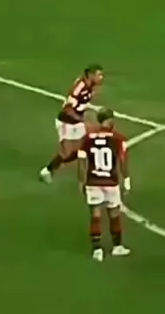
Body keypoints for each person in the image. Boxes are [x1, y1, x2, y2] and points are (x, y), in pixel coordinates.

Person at [77, 108, 131, 261]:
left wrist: (81, 181)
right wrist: (126, 180)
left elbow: (82, 161)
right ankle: (117, 247)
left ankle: (97, 250)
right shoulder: (118, 139)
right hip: (110, 182)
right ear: (110, 120)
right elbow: (122, 161)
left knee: (95, 216)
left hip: (93, 181)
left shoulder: (87, 139)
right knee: (114, 214)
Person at [39, 64, 104, 183]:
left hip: (77, 121)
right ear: (90, 75)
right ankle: (47, 171)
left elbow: (81, 102)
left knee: (85, 146)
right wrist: (83, 121)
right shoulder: (80, 87)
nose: (101, 78)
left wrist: (92, 108)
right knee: (66, 154)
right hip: (66, 122)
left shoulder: (90, 85)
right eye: (98, 75)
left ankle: (92, 171)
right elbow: (67, 109)